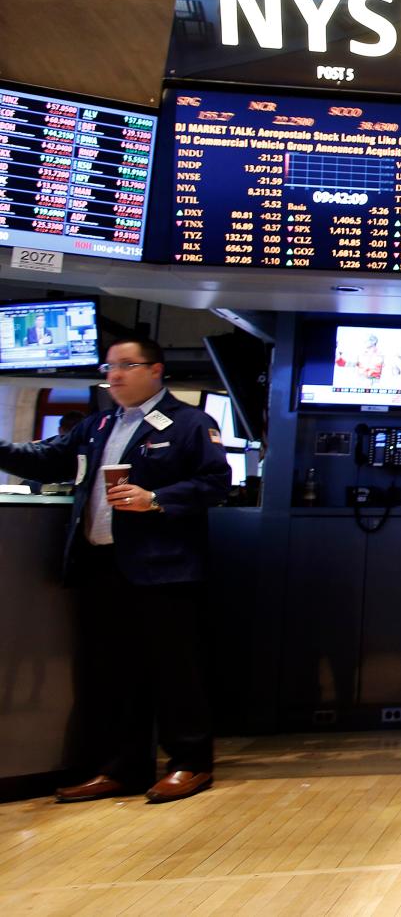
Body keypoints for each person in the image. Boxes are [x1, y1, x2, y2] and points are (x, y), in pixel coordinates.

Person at [0, 337, 231, 804]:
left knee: (175, 670)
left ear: (156, 370)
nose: (115, 375)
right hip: (103, 564)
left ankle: (190, 763)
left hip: (164, 570)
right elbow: (47, 461)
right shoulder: (99, 424)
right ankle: (122, 768)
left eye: (127, 365)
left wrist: (157, 499)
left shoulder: (190, 423)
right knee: (114, 673)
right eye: (110, 367)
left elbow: (215, 482)